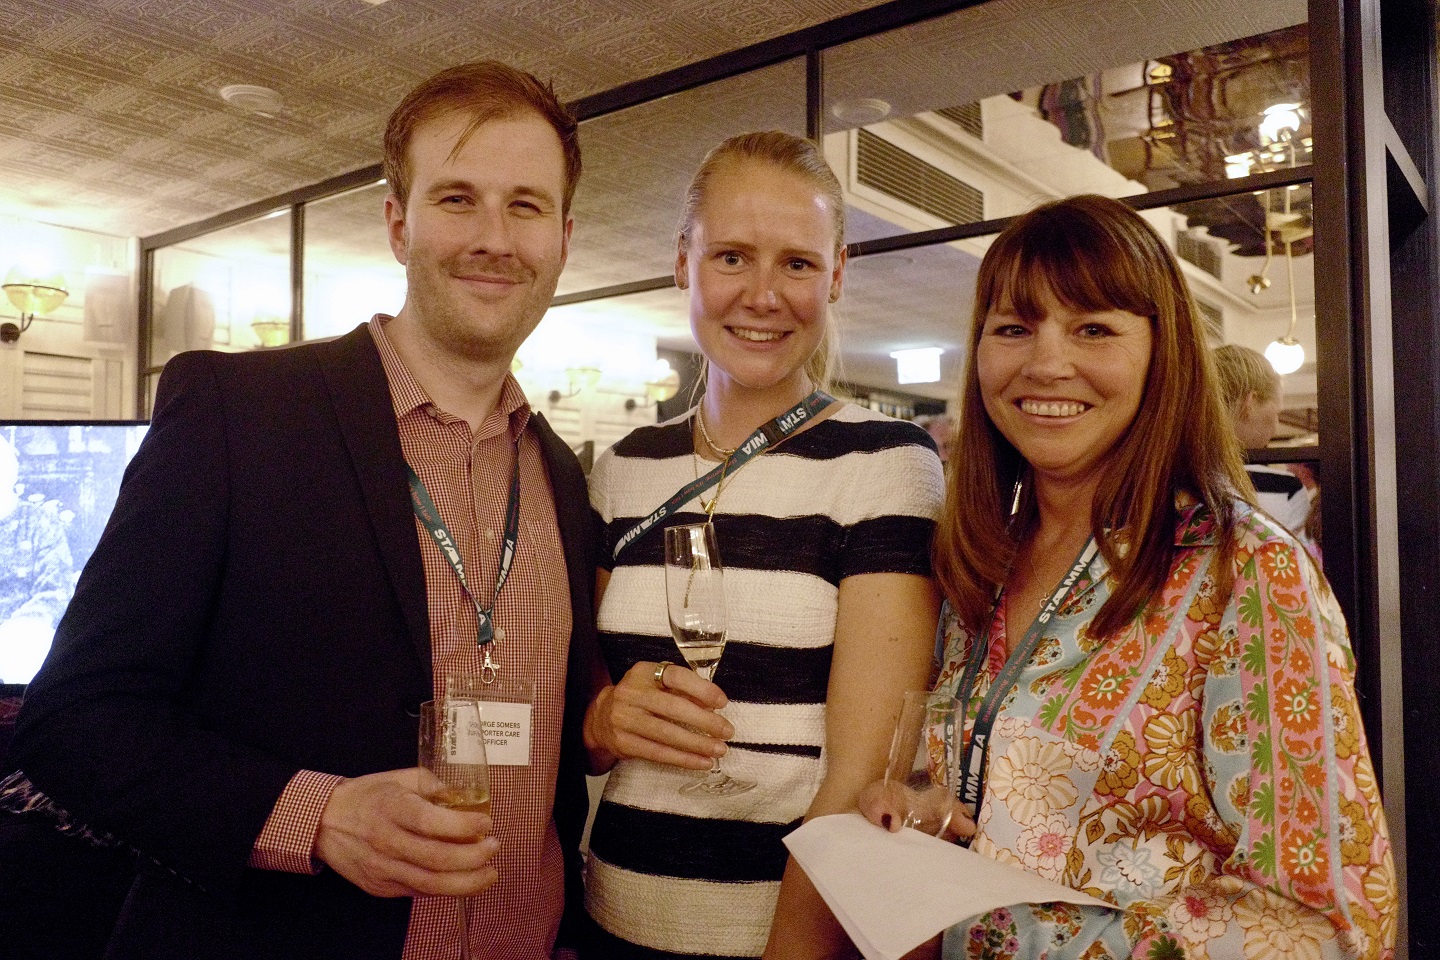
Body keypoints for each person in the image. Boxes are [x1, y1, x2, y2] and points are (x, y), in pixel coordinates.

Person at [4, 61, 598, 960]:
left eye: (525, 206)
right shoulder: (240, 411)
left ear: (562, 236)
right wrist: (317, 816)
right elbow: (75, 719)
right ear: (398, 224)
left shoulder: (560, 474)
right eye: (456, 200)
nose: (493, 237)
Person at [861, 195, 1395, 959]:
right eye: (1014, 328)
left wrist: (983, 941)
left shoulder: (1245, 573)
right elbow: (1000, 794)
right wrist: (918, 810)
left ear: (1160, 352)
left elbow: (1326, 924)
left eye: (1094, 329)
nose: (1047, 362)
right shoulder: (980, 559)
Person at [581, 131, 945, 959]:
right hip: (612, 915)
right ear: (685, 262)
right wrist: (605, 718)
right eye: (733, 257)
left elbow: (858, 777)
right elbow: (589, 723)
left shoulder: (888, 462)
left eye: (798, 264)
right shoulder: (624, 469)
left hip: (781, 933)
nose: (763, 295)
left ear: (838, 275)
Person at [1212, 342, 1314, 544]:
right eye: (1276, 413)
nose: (1275, 427)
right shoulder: (1284, 488)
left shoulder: (1166, 476)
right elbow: (1299, 566)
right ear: (1250, 403)